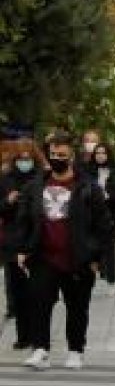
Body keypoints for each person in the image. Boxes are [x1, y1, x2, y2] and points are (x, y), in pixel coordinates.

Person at [16, 133, 111, 370]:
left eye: (62, 155)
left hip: (78, 257)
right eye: (53, 154)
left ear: (72, 156)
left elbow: (103, 225)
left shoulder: (88, 187)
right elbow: (24, 219)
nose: (57, 158)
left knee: (77, 306)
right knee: (39, 303)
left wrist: (97, 257)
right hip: (43, 256)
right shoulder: (36, 185)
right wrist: (23, 248)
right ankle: (40, 349)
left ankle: (75, 351)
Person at [0, 140, 44, 349]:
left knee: (37, 290)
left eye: (27, 158)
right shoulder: (5, 178)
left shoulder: (42, 178)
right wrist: (8, 201)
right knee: (17, 290)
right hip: (12, 239)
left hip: (36, 238)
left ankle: (38, 335)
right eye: (20, 158)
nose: (23, 161)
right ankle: (22, 335)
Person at [86, 143, 115, 294]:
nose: (100, 155)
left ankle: (111, 281)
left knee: (110, 247)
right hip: (93, 215)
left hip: (112, 214)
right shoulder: (88, 172)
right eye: (97, 153)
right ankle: (96, 278)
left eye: (103, 153)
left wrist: (109, 195)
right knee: (94, 247)